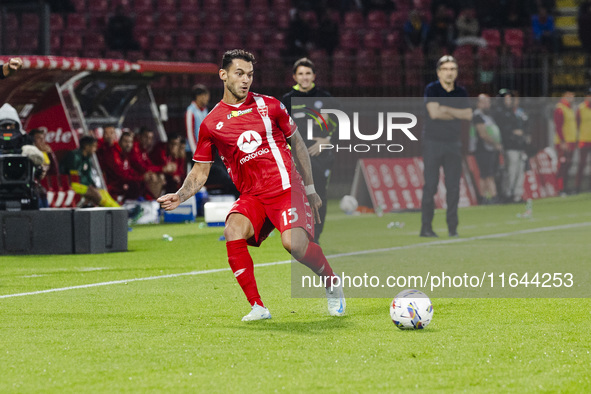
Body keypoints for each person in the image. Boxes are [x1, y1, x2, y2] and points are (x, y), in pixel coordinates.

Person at [158, 49, 345, 321]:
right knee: (233, 227)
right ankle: (258, 306)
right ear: (223, 75)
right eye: (239, 74)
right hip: (253, 195)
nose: (246, 80)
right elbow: (200, 171)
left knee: (294, 245)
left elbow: (299, 145)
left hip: (286, 188)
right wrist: (180, 194)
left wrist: (311, 188)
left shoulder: (270, 106)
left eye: (250, 75)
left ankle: (331, 283)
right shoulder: (211, 124)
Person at [281, 57, 336, 243]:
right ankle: (299, 234)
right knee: (295, 197)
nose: (305, 77)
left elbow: (341, 123)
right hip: (295, 159)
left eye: (308, 73)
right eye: (301, 74)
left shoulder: (325, 98)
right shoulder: (287, 100)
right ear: (294, 77)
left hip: (319, 157)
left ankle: (316, 237)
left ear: (314, 76)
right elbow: (279, 130)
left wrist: (326, 140)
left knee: (319, 195)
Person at [420, 55, 472, 238]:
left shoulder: (461, 92)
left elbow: (468, 114)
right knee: (431, 186)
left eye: (452, 69)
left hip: (453, 143)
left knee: (453, 187)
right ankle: (426, 227)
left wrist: (446, 109)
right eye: (446, 69)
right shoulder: (432, 89)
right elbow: (434, 113)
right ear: (439, 72)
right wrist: (455, 112)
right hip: (433, 142)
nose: (449, 72)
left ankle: (452, 227)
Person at [60, 135, 120, 207]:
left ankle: (118, 208)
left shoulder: (87, 159)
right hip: (71, 185)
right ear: (86, 146)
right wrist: (90, 188)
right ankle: (114, 211)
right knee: (95, 194)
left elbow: (88, 176)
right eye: (94, 146)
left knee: (103, 192)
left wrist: (93, 186)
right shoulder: (74, 156)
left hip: (82, 185)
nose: (95, 149)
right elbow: (74, 178)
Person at [494, 89, 527, 203]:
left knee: (519, 171)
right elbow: (503, 129)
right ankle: (507, 194)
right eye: (506, 98)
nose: (508, 101)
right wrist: (513, 132)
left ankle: (517, 194)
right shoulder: (499, 112)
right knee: (510, 171)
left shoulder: (514, 112)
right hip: (509, 146)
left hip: (519, 145)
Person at [471, 94, 502, 204]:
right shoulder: (478, 116)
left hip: (489, 148)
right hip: (483, 148)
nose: (487, 104)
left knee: (487, 174)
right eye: (484, 102)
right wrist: (495, 144)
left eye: (488, 102)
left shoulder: (487, 115)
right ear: (478, 103)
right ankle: (492, 197)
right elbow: (483, 134)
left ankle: (485, 197)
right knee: (487, 174)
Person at [553, 91, 577, 195]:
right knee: (562, 166)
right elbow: (558, 127)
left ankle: (565, 188)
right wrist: (563, 141)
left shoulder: (569, 108)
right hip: (564, 143)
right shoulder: (560, 109)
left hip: (571, 142)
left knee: (568, 165)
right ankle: (560, 189)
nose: (572, 97)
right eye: (569, 96)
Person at [185, 84, 210, 154]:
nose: (207, 98)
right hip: (192, 151)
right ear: (198, 97)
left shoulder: (205, 110)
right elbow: (190, 133)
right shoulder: (190, 111)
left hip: (203, 150)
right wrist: (195, 152)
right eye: (205, 96)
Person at [576, 89, 591, 193]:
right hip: (584, 140)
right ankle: (577, 186)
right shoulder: (581, 108)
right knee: (582, 163)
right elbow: (576, 124)